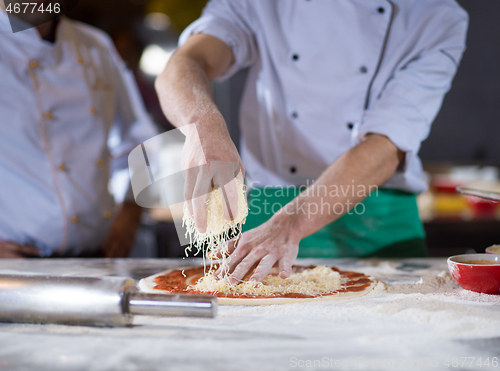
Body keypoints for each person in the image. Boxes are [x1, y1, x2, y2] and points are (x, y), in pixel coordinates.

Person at [155, 0, 468, 282]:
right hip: (266, 211)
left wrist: (291, 224)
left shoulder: (436, 15)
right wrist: (201, 125)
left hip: (377, 220)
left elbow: (387, 145)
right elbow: (187, 61)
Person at [0, 2, 157, 258]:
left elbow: (137, 139)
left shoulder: (96, 45)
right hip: (14, 266)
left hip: (98, 257)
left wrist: (131, 210)